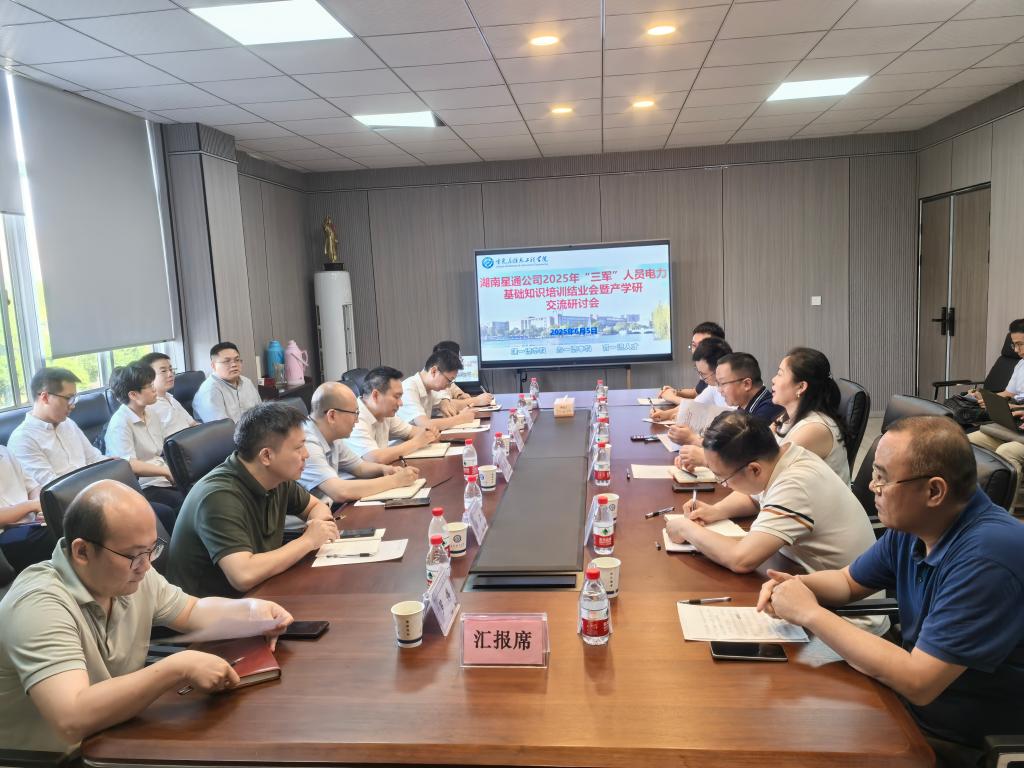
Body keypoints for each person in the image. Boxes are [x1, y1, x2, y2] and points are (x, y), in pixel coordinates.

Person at [757, 416, 1024, 764]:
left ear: (934, 491)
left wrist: (810, 613)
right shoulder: (918, 524)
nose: (872, 486)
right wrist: (795, 587)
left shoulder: (988, 557)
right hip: (910, 704)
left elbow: (919, 682)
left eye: (882, 477)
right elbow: (848, 582)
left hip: (961, 736)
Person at [0, 479, 293, 753]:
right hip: (60, 756)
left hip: (114, 735)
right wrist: (176, 667)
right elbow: (71, 718)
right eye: (135, 555)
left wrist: (253, 611)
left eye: (151, 550)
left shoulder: (130, 574)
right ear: (82, 552)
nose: (146, 566)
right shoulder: (38, 604)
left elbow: (190, 611)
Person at [666, 413, 884, 635]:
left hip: (848, 619)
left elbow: (741, 559)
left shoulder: (795, 484)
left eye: (723, 478)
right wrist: (716, 511)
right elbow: (755, 497)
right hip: (807, 584)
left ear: (754, 469)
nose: (725, 485)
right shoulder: (784, 456)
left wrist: (685, 528)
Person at [167, 403, 338, 598]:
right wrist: (308, 540)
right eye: (298, 448)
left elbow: (315, 506)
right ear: (266, 456)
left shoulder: (276, 478)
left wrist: (319, 526)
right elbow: (243, 576)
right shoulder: (218, 496)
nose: (306, 454)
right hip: (212, 608)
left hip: (259, 592)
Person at [300, 382, 420, 503]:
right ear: (332, 416)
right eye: (355, 413)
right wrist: (395, 480)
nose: (357, 421)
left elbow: (359, 467)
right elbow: (340, 492)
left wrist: (385, 469)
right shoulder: (306, 442)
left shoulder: (332, 435)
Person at [104, 363, 185, 525]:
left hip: (163, 476)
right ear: (133, 395)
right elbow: (128, 464)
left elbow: (160, 450)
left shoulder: (150, 412)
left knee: (200, 492)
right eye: (149, 386)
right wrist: (165, 472)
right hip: (144, 485)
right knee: (182, 505)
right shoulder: (120, 423)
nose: (155, 389)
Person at [8, 367, 106, 488]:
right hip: (70, 496)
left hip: (94, 487)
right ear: (45, 397)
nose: (73, 406)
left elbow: (94, 458)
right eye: (68, 398)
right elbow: (51, 487)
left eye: (74, 398)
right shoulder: (22, 439)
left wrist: (114, 464)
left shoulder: (68, 423)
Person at [769, 347, 853, 483]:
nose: (773, 380)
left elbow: (768, 474)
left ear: (801, 387)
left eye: (780, 374)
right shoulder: (787, 416)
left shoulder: (814, 429)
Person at [968, 318, 1024, 496]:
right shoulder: (1021, 364)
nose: (1017, 350)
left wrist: (1014, 407)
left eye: (1021, 344)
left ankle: (1003, 509)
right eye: (1014, 345)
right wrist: (985, 397)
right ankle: (970, 499)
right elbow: (1008, 393)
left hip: (1018, 424)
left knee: (1006, 452)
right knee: (968, 442)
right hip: (1016, 425)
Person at [343, 366, 438, 464]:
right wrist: (416, 442)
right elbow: (375, 458)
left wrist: (428, 434)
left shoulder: (385, 414)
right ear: (375, 395)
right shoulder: (355, 417)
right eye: (396, 397)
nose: (401, 403)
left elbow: (411, 432)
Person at [0, 446, 55, 573]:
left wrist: (38, 509)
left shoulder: (4, 450)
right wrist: (31, 505)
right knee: (59, 532)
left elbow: (33, 487)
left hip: (31, 523)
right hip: (4, 534)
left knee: (72, 517)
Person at [397, 349, 478, 431]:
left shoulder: (430, 388)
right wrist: (460, 419)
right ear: (434, 371)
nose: (449, 386)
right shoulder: (409, 388)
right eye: (449, 380)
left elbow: (448, 404)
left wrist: (445, 401)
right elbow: (425, 425)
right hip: (405, 439)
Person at [192, 342, 261, 424]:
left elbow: (260, 411)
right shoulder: (209, 391)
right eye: (227, 361)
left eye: (237, 360)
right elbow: (221, 428)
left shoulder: (247, 382)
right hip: (227, 432)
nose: (234, 364)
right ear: (213, 366)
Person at [657, 322, 726, 404]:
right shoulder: (705, 367)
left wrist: (672, 398)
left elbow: (702, 406)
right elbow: (697, 392)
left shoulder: (724, 372)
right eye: (694, 345)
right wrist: (675, 392)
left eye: (702, 346)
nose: (696, 351)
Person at [138, 352, 196, 436]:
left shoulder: (170, 398)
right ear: (147, 376)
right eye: (163, 371)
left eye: (171, 369)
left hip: (192, 439)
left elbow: (193, 424)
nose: (170, 374)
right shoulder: (147, 407)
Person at [431, 340, 493, 416]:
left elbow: (452, 387)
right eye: (460, 357)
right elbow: (446, 405)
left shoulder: (444, 375)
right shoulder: (435, 379)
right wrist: (477, 400)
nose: (461, 361)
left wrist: (460, 395)